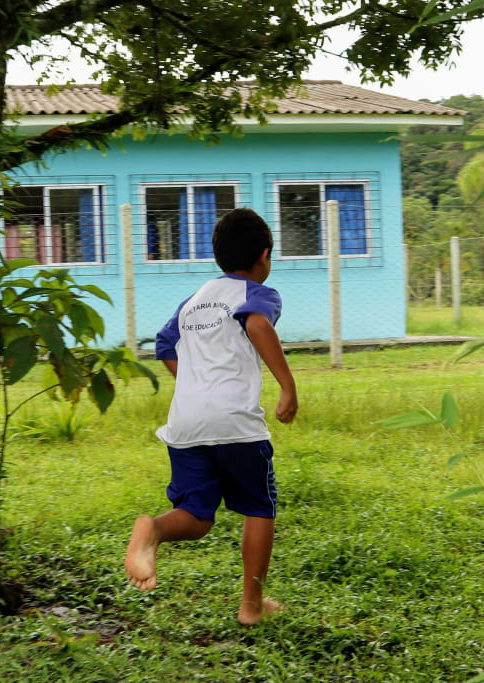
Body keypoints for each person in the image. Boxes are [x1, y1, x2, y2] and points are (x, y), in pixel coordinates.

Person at [125, 208, 298, 626]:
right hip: (235, 424)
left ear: (219, 256)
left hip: (186, 424)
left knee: (198, 517)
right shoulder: (257, 293)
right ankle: (251, 607)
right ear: (265, 255)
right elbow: (257, 325)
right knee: (259, 506)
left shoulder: (194, 299)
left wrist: (196, 385)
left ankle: (153, 530)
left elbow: (165, 345)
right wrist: (288, 386)